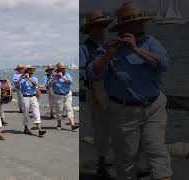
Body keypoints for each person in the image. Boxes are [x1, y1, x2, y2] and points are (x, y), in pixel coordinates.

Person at [88, 2, 172, 180]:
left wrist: (136, 49)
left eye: (141, 23)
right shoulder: (109, 47)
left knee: (157, 152)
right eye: (136, 23)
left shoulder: (151, 43)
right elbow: (93, 73)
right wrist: (108, 55)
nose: (140, 26)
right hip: (124, 112)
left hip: (153, 107)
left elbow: (163, 64)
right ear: (123, 27)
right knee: (127, 158)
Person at [80, 10, 114, 177]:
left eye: (102, 26)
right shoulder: (85, 48)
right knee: (101, 128)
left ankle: (110, 160)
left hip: (113, 88)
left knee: (117, 126)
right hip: (96, 89)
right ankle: (101, 162)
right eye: (96, 26)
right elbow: (83, 72)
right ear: (91, 29)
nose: (100, 29)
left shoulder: (108, 44)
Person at [17, 65, 46, 137]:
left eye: (32, 70)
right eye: (30, 70)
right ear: (27, 71)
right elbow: (17, 87)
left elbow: (35, 84)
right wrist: (20, 80)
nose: (31, 71)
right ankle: (26, 128)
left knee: (36, 112)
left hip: (33, 97)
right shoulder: (22, 79)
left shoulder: (34, 78)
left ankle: (39, 129)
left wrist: (29, 78)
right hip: (25, 97)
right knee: (26, 114)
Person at [49, 62, 79, 131]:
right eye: (62, 69)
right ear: (58, 70)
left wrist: (62, 76)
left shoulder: (67, 75)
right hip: (58, 95)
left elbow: (70, 82)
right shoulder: (54, 76)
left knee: (69, 109)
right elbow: (49, 85)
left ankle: (72, 125)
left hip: (67, 94)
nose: (63, 70)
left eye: (63, 68)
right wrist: (54, 79)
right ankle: (59, 124)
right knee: (59, 111)